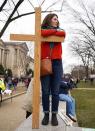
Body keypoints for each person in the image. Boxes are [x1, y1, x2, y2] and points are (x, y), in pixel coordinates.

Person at [40, 13, 66, 126]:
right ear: (49, 20)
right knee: (45, 91)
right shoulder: (42, 30)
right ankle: (46, 114)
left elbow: (63, 33)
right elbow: (43, 33)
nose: (57, 20)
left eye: (57, 19)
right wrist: (55, 31)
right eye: (55, 19)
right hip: (45, 62)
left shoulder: (60, 30)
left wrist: (55, 30)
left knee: (55, 91)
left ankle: (54, 115)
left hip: (57, 63)